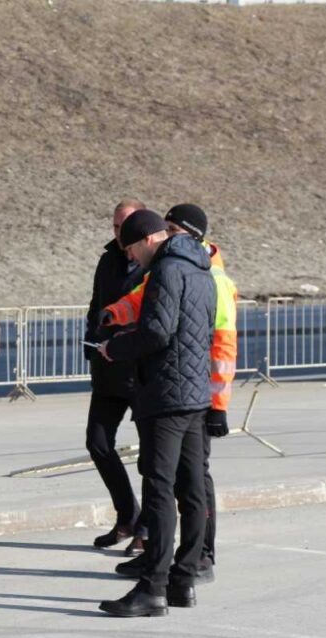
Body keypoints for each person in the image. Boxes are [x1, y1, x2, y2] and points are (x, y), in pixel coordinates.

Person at [102, 204, 237, 584]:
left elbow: (216, 345)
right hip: (193, 392)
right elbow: (145, 301)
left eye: (172, 228)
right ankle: (183, 572)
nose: (168, 233)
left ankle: (168, 574)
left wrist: (220, 406)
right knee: (188, 484)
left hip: (176, 393)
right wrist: (114, 312)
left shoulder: (176, 268)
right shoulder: (199, 269)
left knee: (167, 485)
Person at [83, 199, 145, 553]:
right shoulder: (108, 260)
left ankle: (147, 530)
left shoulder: (155, 264)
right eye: (116, 227)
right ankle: (127, 516)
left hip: (139, 372)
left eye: (126, 226)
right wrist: (92, 347)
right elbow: (96, 306)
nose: (120, 233)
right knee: (97, 442)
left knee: (151, 457)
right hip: (107, 368)